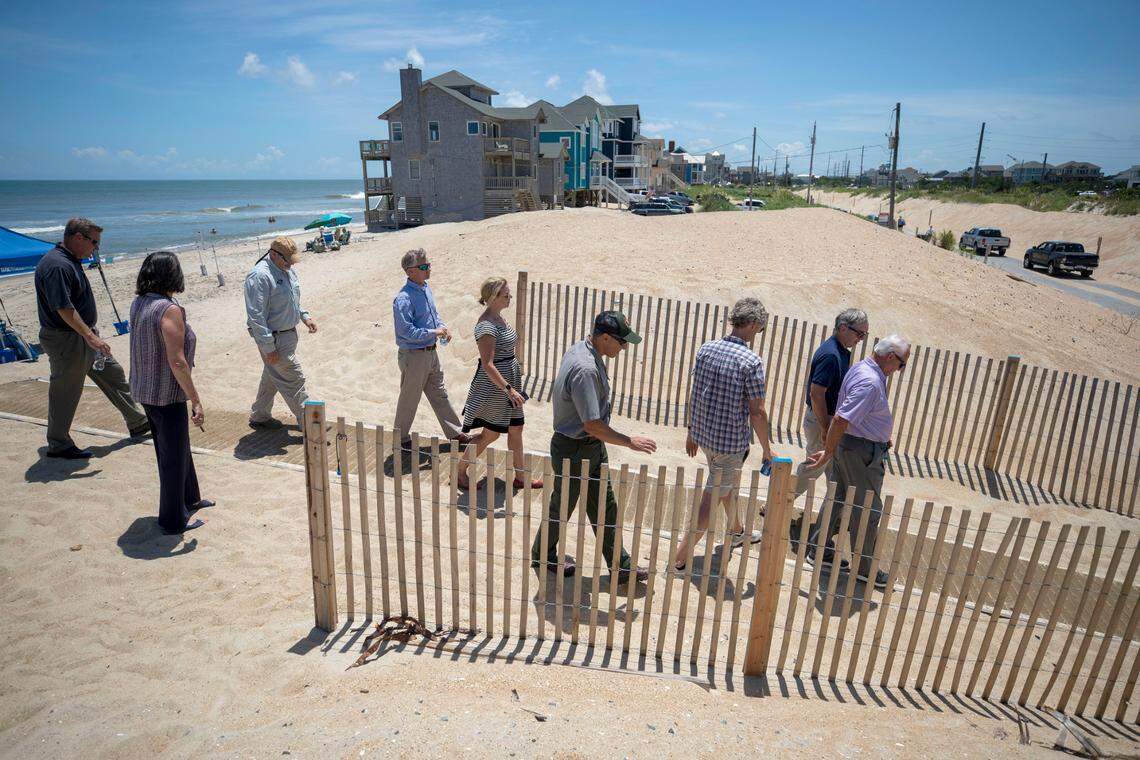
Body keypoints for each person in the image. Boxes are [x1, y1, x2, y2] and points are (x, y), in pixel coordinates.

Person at [530, 311, 656, 582]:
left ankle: (620, 566)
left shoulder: (583, 348)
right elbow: (592, 424)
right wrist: (628, 441)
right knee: (563, 506)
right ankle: (542, 556)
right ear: (606, 338)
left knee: (604, 506)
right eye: (622, 342)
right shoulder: (586, 368)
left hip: (589, 446)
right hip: (575, 447)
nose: (624, 347)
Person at [34, 217, 149, 459]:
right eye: (94, 243)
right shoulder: (57, 265)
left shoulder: (70, 261)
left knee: (113, 375)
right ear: (78, 237)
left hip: (84, 336)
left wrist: (90, 333)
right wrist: (89, 335)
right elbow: (63, 308)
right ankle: (59, 443)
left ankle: (137, 422)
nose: (96, 248)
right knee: (66, 391)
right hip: (67, 339)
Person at [673, 297, 773, 571]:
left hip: (706, 437)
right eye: (759, 329)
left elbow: (695, 394)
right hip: (730, 445)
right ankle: (679, 556)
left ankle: (737, 529)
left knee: (723, 485)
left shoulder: (707, 349)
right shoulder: (751, 361)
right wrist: (767, 449)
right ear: (752, 325)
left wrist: (692, 431)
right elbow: (757, 412)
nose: (758, 334)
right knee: (710, 500)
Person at [804, 334, 911, 589]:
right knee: (868, 510)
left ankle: (818, 551)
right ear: (889, 357)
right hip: (859, 452)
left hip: (851, 446)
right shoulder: (871, 382)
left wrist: (881, 433)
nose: (900, 369)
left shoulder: (863, 367)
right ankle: (865, 569)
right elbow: (842, 419)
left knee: (838, 498)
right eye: (901, 364)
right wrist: (828, 452)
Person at [128, 252, 214, 534]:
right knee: (172, 456)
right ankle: (173, 520)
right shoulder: (168, 309)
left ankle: (190, 498)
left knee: (176, 447)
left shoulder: (140, 302)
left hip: (145, 388)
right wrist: (196, 399)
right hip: (165, 393)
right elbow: (177, 360)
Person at [455, 277, 543, 491]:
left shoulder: (499, 318)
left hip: (509, 380)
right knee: (491, 434)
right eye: (506, 295)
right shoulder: (486, 326)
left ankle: (520, 477)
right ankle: (460, 470)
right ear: (493, 297)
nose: (510, 297)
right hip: (496, 387)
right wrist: (509, 389)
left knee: (516, 429)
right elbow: (487, 364)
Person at [392, 248, 473, 447]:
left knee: (439, 394)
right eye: (423, 266)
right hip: (414, 356)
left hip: (431, 352)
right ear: (410, 271)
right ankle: (400, 439)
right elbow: (406, 332)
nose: (428, 269)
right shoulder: (403, 299)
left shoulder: (425, 288)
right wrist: (434, 332)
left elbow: (433, 316)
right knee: (409, 399)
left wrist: (442, 328)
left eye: (428, 265)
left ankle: (455, 433)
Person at [793, 308, 869, 497]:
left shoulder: (842, 351)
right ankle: (778, 500)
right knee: (816, 464)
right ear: (843, 328)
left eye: (864, 335)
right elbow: (816, 393)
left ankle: (833, 512)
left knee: (832, 468)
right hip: (822, 418)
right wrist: (826, 427)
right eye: (859, 333)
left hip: (827, 418)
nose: (860, 339)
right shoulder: (831, 355)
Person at [244, 236, 317, 429]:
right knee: (294, 379)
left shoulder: (287, 271)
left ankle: (259, 415)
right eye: (288, 260)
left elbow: (292, 300)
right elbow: (256, 316)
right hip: (273, 338)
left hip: (289, 333)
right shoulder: (259, 276)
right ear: (274, 255)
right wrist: (268, 347)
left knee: (273, 375)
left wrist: (304, 316)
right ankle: (310, 425)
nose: (291, 264)